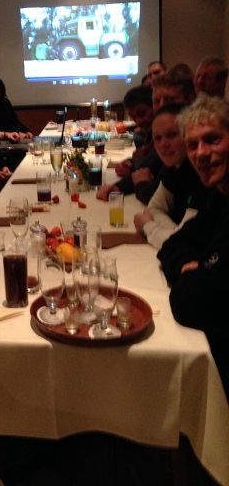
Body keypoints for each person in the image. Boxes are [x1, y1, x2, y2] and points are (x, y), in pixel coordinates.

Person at [158, 95, 229, 398]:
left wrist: (197, 275)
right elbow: (173, 244)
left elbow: (189, 301)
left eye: (212, 140)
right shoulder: (220, 196)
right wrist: (194, 266)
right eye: (192, 145)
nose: (201, 153)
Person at [133, 104, 204, 249]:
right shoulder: (173, 167)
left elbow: (183, 245)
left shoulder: (203, 174)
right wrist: (175, 233)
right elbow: (154, 208)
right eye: (158, 138)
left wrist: (147, 226)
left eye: (172, 135)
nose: (163, 144)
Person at [97, 85, 162, 204]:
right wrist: (130, 163)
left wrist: (135, 164)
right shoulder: (151, 132)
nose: (139, 121)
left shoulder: (163, 135)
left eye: (142, 113)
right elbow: (145, 163)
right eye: (134, 117)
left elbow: (147, 167)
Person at [0, 75, 33, 140]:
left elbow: (15, 121)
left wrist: (27, 131)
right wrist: (16, 133)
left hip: (13, 137)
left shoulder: (6, 102)